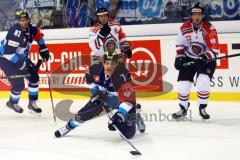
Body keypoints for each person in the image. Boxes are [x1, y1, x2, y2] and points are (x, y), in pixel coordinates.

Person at [54, 40, 145, 139]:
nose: (109, 66)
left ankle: (135, 116)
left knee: (127, 134)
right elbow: (91, 83)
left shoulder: (122, 75)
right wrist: (96, 93)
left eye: (112, 64)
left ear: (116, 64)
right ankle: (67, 127)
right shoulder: (94, 69)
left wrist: (119, 116)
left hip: (122, 100)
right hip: (104, 97)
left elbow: (128, 101)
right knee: (83, 114)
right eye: (107, 63)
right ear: (103, 63)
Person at [172, 3, 219, 120]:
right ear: (191, 16)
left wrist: (204, 57)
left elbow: (215, 50)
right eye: (194, 14)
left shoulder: (210, 28)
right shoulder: (184, 27)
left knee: (203, 80)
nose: (196, 17)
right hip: (189, 57)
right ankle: (183, 108)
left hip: (206, 59)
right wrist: (180, 57)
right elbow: (180, 44)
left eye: (199, 14)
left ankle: (202, 108)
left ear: (202, 15)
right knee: (183, 84)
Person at [0, 9, 49, 113]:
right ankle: (12, 102)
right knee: (19, 84)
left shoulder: (31, 28)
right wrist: (22, 65)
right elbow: (8, 53)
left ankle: (32, 103)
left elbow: (39, 36)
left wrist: (43, 48)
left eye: (26, 19)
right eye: (22, 20)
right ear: (18, 21)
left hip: (20, 56)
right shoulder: (15, 33)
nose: (25, 22)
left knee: (34, 77)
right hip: (6, 58)